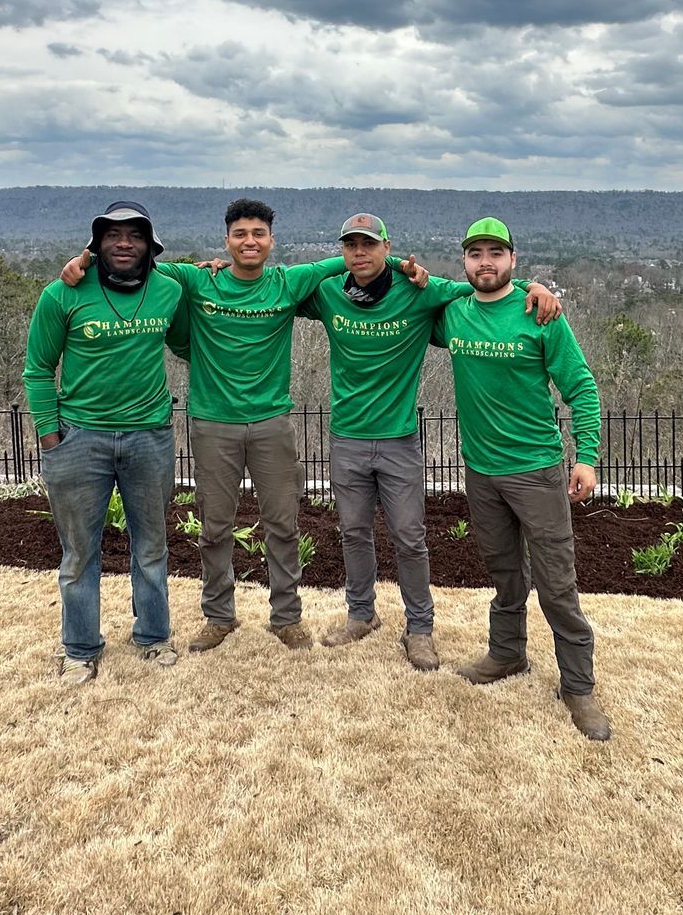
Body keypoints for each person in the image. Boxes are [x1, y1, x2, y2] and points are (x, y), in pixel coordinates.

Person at [62, 198, 401, 655]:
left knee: (282, 524)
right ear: (226, 240)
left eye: (258, 234)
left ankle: (286, 617)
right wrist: (80, 263)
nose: (249, 242)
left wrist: (404, 265)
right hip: (212, 424)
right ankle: (218, 615)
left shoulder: (288, 282)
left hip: (271, 423)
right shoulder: (197, 279)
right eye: (240, 234)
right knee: (215, 528)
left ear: (271, 242)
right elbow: (135, 265)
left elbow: (356, 257)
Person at [298, 212, 560, 672]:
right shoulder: (326, 294)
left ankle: (419, 628)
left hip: (398, 439)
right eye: (350, 246)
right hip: (347, 438)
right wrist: (219, 267)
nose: (359, 253)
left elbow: (483, 288)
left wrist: (533, 288)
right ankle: (361, 615)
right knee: (354, 533)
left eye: (369, 244)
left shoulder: (421, 291)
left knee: (409, 538)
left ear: (386, 245)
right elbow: (276, 288)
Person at [432, 217, 610, 741]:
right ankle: (507, 654)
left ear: (513, 259)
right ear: (464, 262)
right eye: (475, 254)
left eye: (495, 253)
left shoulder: (539, 314)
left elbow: (581, 386)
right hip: (481, 472)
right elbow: (406, 285)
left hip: (535, 470)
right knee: (505, 572)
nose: (485, 262)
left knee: (557, 582)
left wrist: (587, 457)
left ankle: (578, 686)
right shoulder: (454, 313)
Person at [24, 199, 189, 688]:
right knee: (79, 553)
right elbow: (37, 368)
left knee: (152, 546)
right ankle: (79, 649)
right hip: (79, 438)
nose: (123, 243)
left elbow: (182, 342)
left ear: (149, 244)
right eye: (112, 235)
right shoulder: (62, 294)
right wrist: (51, 435)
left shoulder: (168, 290)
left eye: (134, 235)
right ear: (95, 244)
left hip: (149, 436)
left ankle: (154, 637)